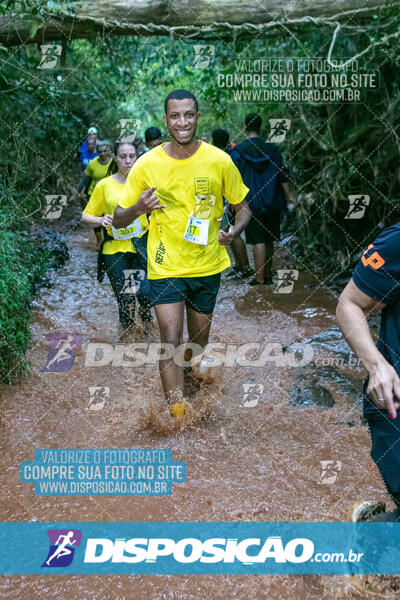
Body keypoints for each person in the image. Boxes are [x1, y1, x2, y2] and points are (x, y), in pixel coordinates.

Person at [114, 89, 251, 417]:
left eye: (188, 114)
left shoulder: (220, 161)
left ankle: (187, 370)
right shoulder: (147, 164)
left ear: (197, 117)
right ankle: (177, 413)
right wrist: (138, 207)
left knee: (198, 343)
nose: (182, 121)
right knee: (170, 338)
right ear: (165, 120)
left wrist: (234, 231)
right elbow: (119, 219)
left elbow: (243, 207)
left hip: (207, 265)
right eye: (175, 116)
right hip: (165, 265)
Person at [337, 224, 400, 521]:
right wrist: (377, 366)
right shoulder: (396, 242)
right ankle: (368, 533)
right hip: (394, 400)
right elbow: (349, 304)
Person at [81, 140, 152, 334]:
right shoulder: (104, 185)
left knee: (144, 293)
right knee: (126, 298)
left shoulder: (146, 183)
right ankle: (128, 340)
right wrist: (101, 219)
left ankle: (148, 327)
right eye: (123, 157)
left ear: (137, 158)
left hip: (141, 246)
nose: (128, 161)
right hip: (114, 249)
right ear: (115, 158)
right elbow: (85, 216)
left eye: (132, 156)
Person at [231, 113, 295, 285]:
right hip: (273, 199)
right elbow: (283, 174)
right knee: (268, 238)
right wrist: (289, 197)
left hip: (251, 201)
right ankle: (267, 275)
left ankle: (258, 279)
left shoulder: (238, 151)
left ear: (245, 127)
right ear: (260, 128)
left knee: (257, 240)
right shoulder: (272, 149)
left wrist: (232, 201)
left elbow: (233, 178)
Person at [212, 128, 253, 280]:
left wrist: (230, 200)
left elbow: (236, 180)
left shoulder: (228, 157)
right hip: (231, 198)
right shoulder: (230, 154)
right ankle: (239, 265)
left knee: (233, 233)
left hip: (234, 199)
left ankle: (245, 267)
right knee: (231, 231)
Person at [78, 140, 113, 247]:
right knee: (97, 218)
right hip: (94, 194)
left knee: (109, 218)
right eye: (100, 151)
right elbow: (85, 179)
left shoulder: (115, 163)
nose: (102, 154)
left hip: (110, 195)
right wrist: (81, 191)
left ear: (109, 151)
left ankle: (108, 240)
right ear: (97, 152)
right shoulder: (92, 164)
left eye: (105, 151)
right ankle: (99, 241)